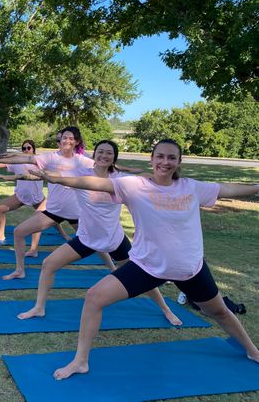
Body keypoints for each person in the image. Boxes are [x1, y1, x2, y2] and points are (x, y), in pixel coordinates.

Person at [37, 139, 259, 379]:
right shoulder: (134, 185)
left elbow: (229, 189)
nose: (165, 162)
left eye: (172, 157)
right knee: (93, 297)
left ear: (179, 161)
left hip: (189, 269)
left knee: (221, 312)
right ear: (152, 159)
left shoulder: (191, 187)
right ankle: (80, 361)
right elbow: (97, 183)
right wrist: (57, 179)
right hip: (147, 267)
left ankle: (253, 351)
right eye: (160, 156)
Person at [15, 140, 181, 326]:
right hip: (86, 238)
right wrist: (38, 175)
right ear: (94, 155)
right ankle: (39, 307)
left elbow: (145, 178)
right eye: (100, 152)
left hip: (115, 239)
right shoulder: (80, 175)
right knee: (48, 264)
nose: (104, 155)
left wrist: (167, 178)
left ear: (114, 157)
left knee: (143, 274)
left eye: (109, 153)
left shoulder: (120, 179)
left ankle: (166, 309)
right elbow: (55, 175)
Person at [0, 127, 95, 280]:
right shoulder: (50, 157)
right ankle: (20, 270)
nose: (67, 141)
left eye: (71, 138)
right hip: (53, 211)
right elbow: (26, 159)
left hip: (75, 212)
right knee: (18, 232)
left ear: (77, 142)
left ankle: (113, 267)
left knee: (95, 239)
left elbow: (106, 169)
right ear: (59, 140)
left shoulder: (83, 161)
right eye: (64, 138)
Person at [0, 139, 46, 254]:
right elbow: (1, 164)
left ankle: (36, 248)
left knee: (44, 218)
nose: (26, 150)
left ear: (33, 149)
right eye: (24, 148)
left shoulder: (39, 161)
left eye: (28, 148)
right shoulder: (17, 162)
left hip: (37, 198)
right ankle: (1, 235)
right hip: (20, 196)